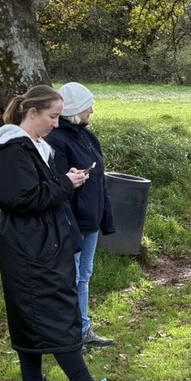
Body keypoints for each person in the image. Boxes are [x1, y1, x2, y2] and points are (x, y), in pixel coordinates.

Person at [0, 85, 130, 381]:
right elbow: (17, 200)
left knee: (31, 312)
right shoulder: (12, 150)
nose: (56, 123)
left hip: (39, 240)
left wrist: (67, 181)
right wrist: (65, 184)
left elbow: (39, 191)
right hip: (28, 245)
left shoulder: (35, 147)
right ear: (32, 112)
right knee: (56, 313)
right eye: (52, 116)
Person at [48, 82, 117, 349]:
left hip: (89, 221)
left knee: (84, 275)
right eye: (88, 106)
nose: (91, 111)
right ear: (76, 109)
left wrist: (104, 216)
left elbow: (99, 180)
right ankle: (70, 334)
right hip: (72, 222)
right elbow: (60, 186)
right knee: (72, 278)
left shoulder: (87, 137)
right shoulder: (57, 141)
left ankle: (83, 329)